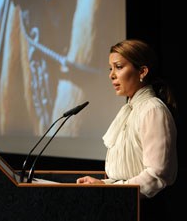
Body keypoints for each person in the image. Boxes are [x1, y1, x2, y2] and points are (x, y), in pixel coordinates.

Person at [76, 39, 178, 221]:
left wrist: (109, 189)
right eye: (110, 68)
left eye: (119, 67)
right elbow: (127, 174)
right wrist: (102, 184)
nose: (111, 75)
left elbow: (157, 175)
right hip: (125, 205)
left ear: (142, 71)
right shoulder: (130, 110)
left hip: (144, 210)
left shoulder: (153, 110)